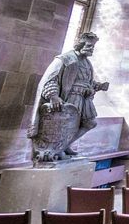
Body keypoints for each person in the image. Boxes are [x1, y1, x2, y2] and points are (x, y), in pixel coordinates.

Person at [29, 31, 109, 159]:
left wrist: (98, 86)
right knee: (66, 124)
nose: (91, 49)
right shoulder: (65, 59)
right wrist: (53, 96)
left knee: (89, 123)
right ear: (80, 45)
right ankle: (55, 149)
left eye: (93, 47)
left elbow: (85, 82)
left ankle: (64, 145)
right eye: (89, 46)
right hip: (69, 97)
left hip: (83, 99)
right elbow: (51, 78)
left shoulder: (87, 63)